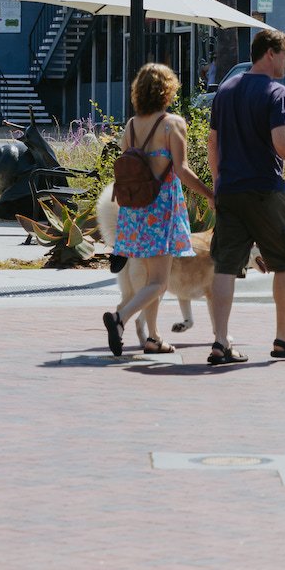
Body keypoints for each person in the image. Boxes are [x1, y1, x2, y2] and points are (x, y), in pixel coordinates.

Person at [206, 27, 285, 367]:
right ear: (270, 53)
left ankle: (221, 342)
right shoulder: (277, 92)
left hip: (230, 190)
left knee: (225, 266)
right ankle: (284, 339)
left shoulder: (225, 90)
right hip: (265, 190)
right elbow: (281, 140)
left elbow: (213, 143)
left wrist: (217, 185)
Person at [102, 62, 213, 357]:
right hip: (162, 209)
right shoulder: (172, 124)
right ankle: (119, 318)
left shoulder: (129, 126)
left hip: (134, 211)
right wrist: (209, 194)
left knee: (152, 279)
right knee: (159, 282)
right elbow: (183, 170)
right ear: (167, 90)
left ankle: (153, 337)